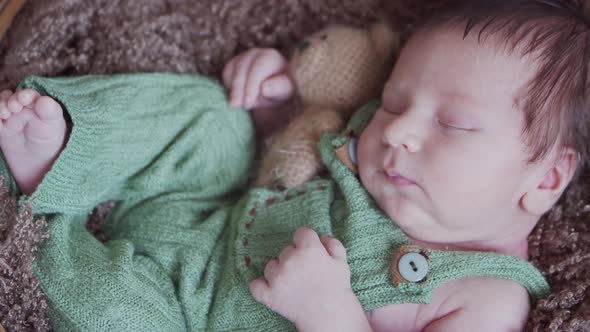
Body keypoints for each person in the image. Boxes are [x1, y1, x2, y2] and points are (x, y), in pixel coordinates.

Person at [0, 0, 587, 330]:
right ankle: (73, 146)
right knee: (213, 116)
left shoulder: (487, 299)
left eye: (453, 124)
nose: (400, 130)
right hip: (207, 210)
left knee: (111, 311)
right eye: (394, 102)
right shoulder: (374, 148)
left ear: (546, 179)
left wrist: (329, 314)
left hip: (182, 314)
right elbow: (285, 153)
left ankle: (50, 217)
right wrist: (273, 98)